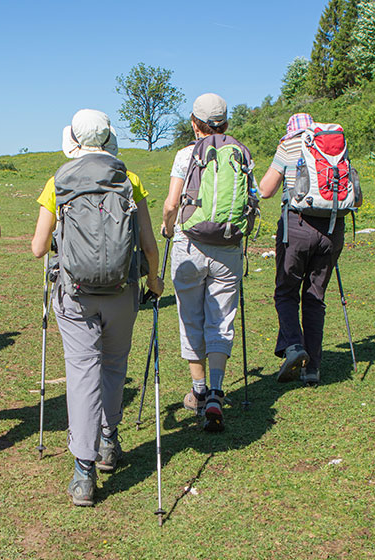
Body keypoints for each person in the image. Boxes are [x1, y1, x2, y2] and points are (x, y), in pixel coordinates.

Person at [31, 109, 161, 506]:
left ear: (73, 139)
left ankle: (83, 472)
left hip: (75, 294)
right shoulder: (129, 179)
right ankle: (108, 442)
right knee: (114, 365)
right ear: (107, 139)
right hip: (123, 290)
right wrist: (153, 280)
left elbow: (38, 248)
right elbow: (149, 243)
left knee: (82, 372)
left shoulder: (59, 181)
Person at [161, 93, 245, 432]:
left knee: (190, 316)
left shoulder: (185, 155)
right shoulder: (239, 152)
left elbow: (170, 203)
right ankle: (217, 391)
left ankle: (197, 391)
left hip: (190, 243)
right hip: (227, 245)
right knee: (222, 319)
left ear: (193, 123)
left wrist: (168, 229)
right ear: (226, 123)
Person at [257, 113, 344, 385]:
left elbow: (266, 189)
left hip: (297, 225)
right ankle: (312, 369)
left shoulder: (289, 145)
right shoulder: (334, 149)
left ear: (290, 130)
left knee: (286, 292)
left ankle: (294, 347)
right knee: (315, 296)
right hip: (332, 227)